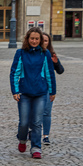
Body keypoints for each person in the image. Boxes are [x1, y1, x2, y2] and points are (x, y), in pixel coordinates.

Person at [10, 27, 56, 159]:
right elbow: (15, 72)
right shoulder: (21, 53)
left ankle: (36, 147)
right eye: (32, 38)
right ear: (27, 39)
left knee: (37, 122)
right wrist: (15, 90)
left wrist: (52, 91)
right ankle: (22, 139)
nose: (34, 41)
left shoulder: (45, 54)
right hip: (24, 92)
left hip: (41, 92)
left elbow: (49, 73)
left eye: (37, 39)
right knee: (24, 122)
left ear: (40, 40)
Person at [41, 32, 64, 145]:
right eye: (43, 40)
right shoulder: (34, 53)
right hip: (36, 86)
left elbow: (60, 71)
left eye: (46, 41)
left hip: (48, 88)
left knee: (46, 112)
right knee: (33, 112)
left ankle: (45, 135)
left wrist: (56, 63)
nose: (44, 43)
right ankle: (31, 131)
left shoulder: (51, 54)